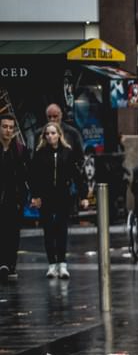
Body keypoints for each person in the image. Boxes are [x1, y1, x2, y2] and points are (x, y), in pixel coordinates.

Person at [27, 122, 84, 280]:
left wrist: (83, 195)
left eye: (53, 133)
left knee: (61, 229)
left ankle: (62, 263)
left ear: (59, 134)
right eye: (47, 134)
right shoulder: (39, 154)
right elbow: (33, 176)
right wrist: (35, 196)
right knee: (48, 230)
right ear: (44, 136)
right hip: (45, 196)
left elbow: (76, 174)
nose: (50, 136)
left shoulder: (67, 152)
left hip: (63, 195)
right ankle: (52, 264)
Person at [0, 113, 25, 282]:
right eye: (4, 126)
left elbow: (26, 174)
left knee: (13, 233)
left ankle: (11, 264)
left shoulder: (20, 150)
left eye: (11, 127)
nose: (8, 130)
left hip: (14, 198)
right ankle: (3, 263)